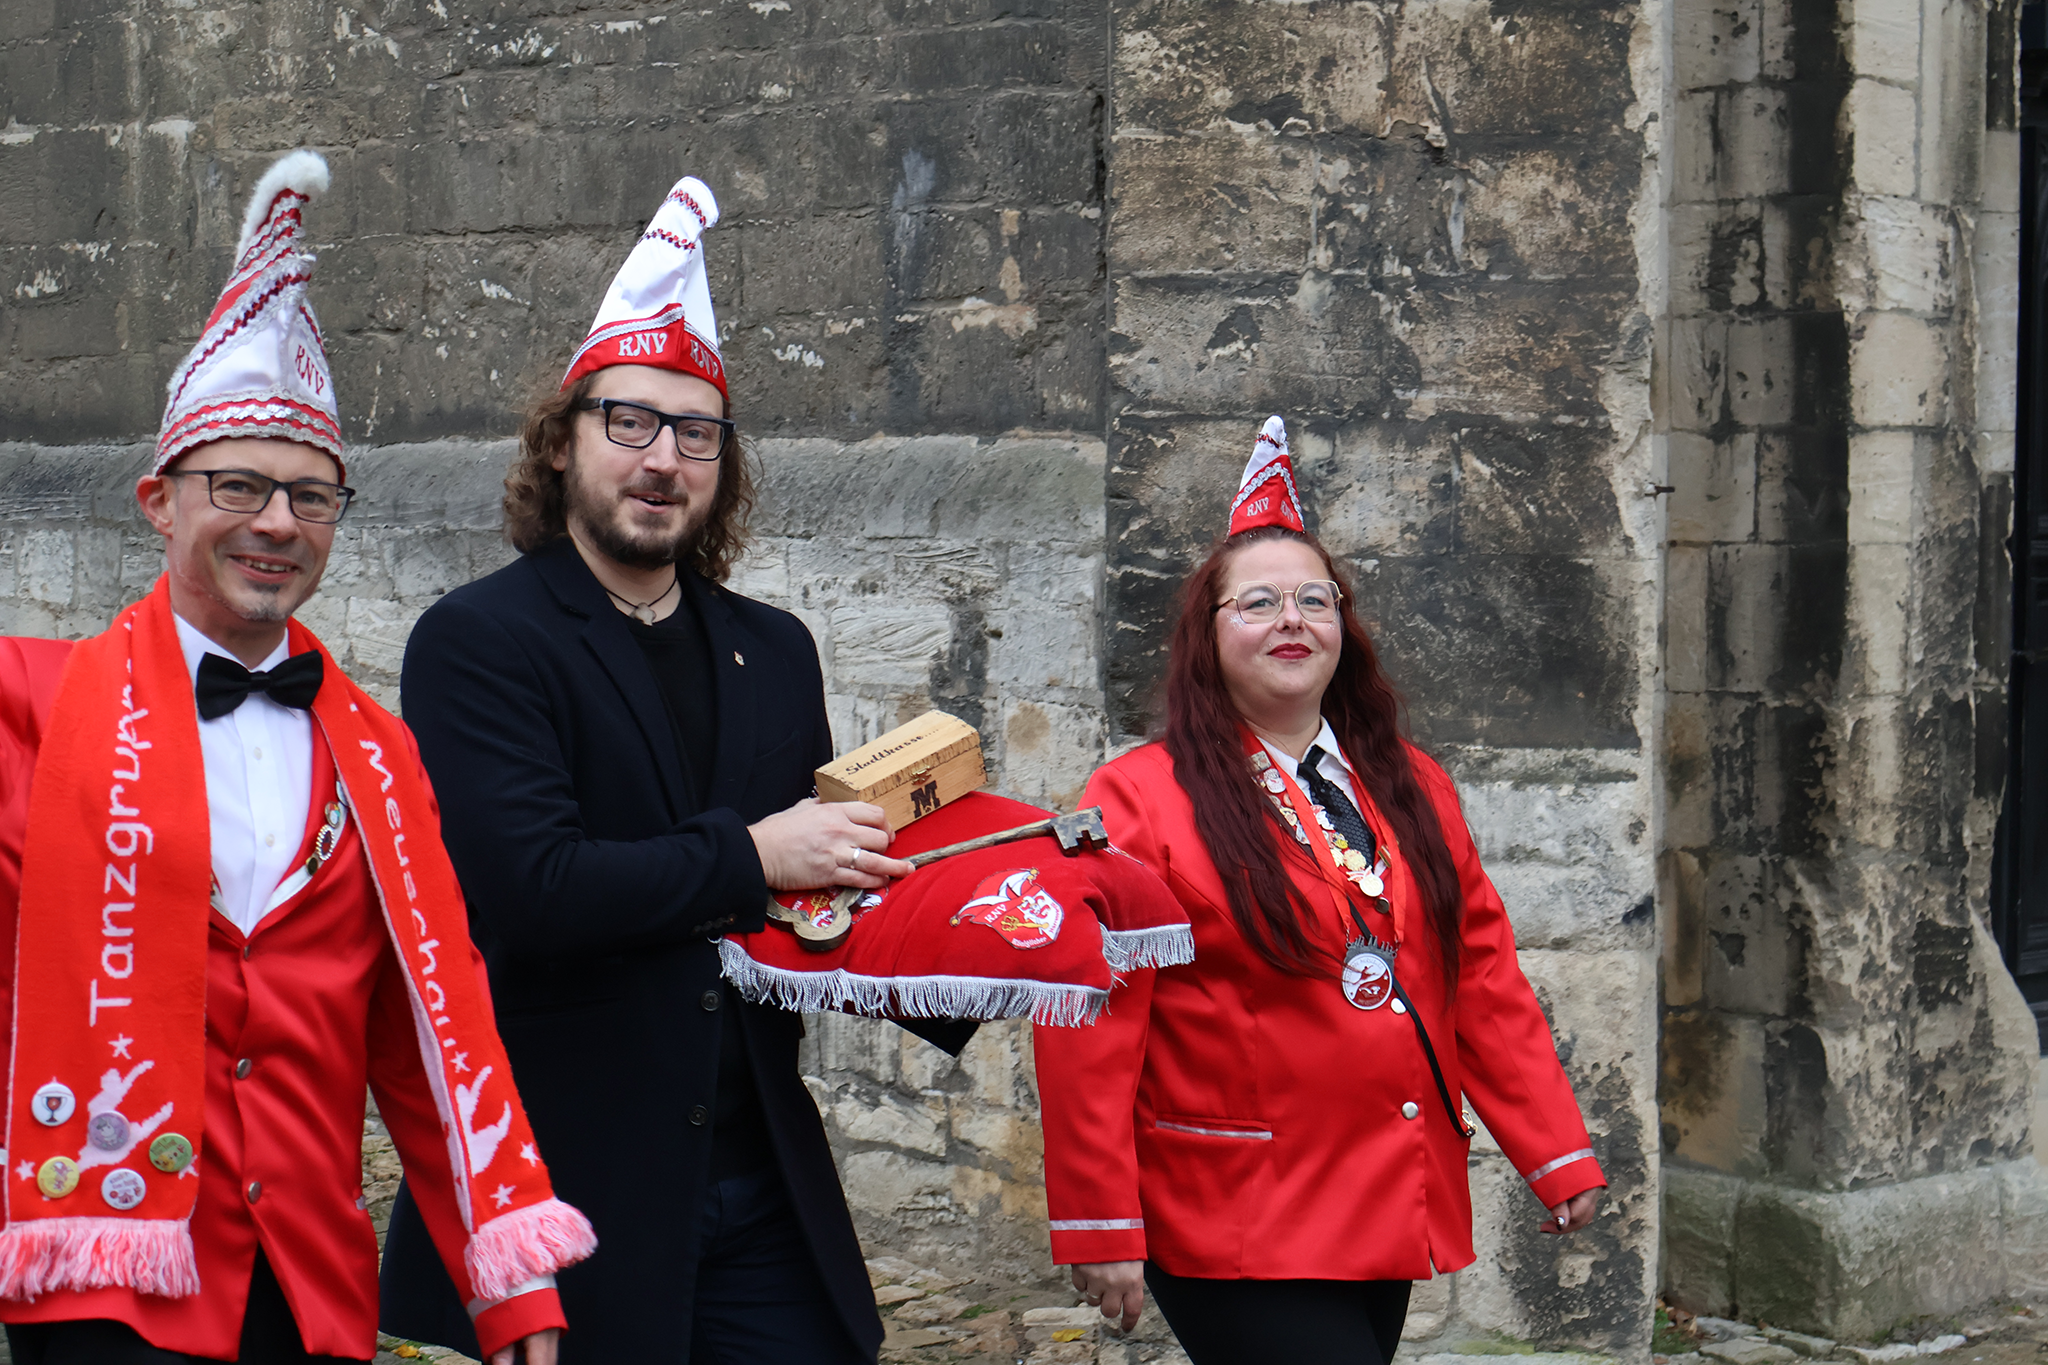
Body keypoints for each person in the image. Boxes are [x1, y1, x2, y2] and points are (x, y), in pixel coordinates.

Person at [0, 151, 592, 1365]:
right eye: (239, 486)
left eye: (312, 497)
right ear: (157, 501)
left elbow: (431, 1032)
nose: (277, 523)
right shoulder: (26, 700)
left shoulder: (380, 753)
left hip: (310, 1288)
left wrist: (513, 1281)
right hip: (98, 1277)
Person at [378, 175, 969, 1364]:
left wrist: (991, 919)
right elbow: (531, 894)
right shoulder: (481, 639)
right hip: (569, 1189)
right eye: (629, 424)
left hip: (762, 1186)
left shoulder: (773, 646)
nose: (662, 460)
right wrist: (755, 856)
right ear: (562, 441)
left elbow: (802, 905)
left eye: (695, 434)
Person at [1033, 417, 1608, 1365]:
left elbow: (1483, 980)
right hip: (1235, 1207)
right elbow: (1091, 1017)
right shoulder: (1134, 797)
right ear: (1206, 635)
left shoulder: (1414, 783)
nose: (1292, 619)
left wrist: (1554, 1149)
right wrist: (1100, 1217)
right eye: (1257, 602)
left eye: (1316, 598)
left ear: (1345, 625)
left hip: (1384, 1190)